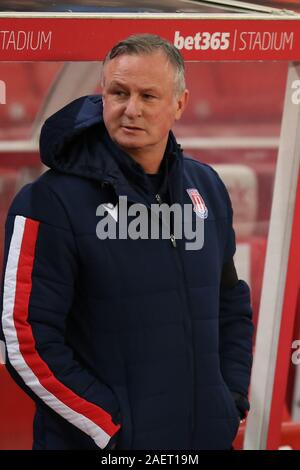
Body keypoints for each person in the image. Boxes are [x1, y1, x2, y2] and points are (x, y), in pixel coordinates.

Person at [0, 34, 253, 450]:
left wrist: (229, 399)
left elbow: (231, 303)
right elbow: (24, 338)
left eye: (148, 96)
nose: (130, 109)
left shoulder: (206, 187)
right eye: (118, 92)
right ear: (103, 96)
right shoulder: (49, 201)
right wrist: (109, 430)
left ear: (179, 103)